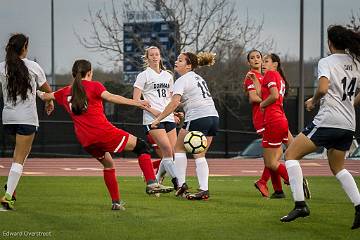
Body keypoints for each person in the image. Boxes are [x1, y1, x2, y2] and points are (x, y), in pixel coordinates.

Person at [37, 59, 173, 210]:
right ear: (89, 73)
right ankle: (151, 183)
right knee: (142, 147)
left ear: (73, 74)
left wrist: (38, 92)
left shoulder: (64, 92)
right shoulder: (94, 86)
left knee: (108, 165)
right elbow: (112, 98)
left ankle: (116, 203)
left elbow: (45, 96)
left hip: (86, 140)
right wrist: (136, 102)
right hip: (103, 132)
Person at [280, 25, 360, 230]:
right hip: (348, 123)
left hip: (328, 120)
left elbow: (323, 88)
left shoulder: (327, 62)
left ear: (330, 43)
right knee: (338, 168)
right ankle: (359, 207)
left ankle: (300, 205)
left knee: (290, 155)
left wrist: (313, 101)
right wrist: (350, 104)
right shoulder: (355, 62)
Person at [151, 52, 218, 200]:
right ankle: (204, 190)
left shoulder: (182, 79)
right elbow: (186, 100)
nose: (176, 62)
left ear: (188, 66)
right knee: (200, 155)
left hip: (198, 117)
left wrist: (158, 119)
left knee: (178, 149)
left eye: (180, 60)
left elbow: (174, 102)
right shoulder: (197, 77)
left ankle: (181, 184)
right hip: (213, 117)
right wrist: (179, 109)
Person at [0, 33, 54, 210]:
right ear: (24, 48)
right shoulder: (33, 66)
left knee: (20, 155)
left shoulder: (2, 68)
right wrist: (49, 100)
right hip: (27, 119)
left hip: (8, 119)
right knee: (19, 158)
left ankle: (11, 189)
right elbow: (47, 90)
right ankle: (8, 197)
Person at [133, 46, 180, 189]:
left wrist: (174, 113)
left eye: (157, 54)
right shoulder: (143, 75)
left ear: (160, 56)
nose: (154, 57)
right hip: (152, 119)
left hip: (168, 117)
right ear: (147, 58)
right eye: (151, 55)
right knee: (166, 149)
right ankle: (179, 183)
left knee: (173, 154)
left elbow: (171, 99)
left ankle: (156, 180)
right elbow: (136, 100)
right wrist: (153, 112)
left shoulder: (168, 75)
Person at [247, 53, 291, 199]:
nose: (260, 62)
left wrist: (263, 104)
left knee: (273, 159)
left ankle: (293, 180)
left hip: (273, 119)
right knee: (274, 157)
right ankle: (277, 189)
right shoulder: (258, 76)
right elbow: (258, 95)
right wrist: (255, 81)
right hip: (272, 120)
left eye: (263, 59)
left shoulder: (271, 74)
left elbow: (272, 96)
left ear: (275, 64)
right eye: (253, 58)